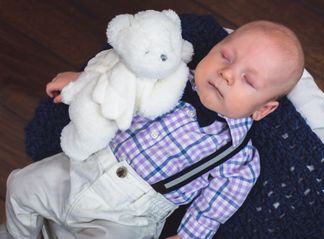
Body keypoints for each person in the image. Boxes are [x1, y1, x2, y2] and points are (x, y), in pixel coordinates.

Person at [1, 20, 305, 239]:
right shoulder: (166, 75)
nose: (227, 74)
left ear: (262, 110)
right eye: (225, 57)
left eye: (248, 80)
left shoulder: (238, 157)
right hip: (81, 168)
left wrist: (189, 235)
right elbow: (117, 78)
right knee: (20, 186)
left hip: (128, 217)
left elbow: (215, 205)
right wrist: (80, 82)